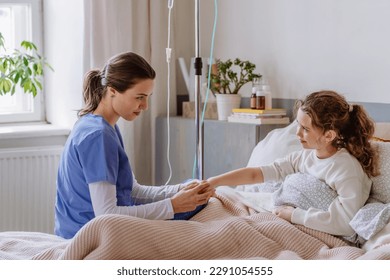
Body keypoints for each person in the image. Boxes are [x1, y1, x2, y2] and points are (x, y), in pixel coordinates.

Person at [54, 52, 214, 239]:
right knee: (201, 204)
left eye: (147, 97)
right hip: (91, 236)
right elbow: (106, 213)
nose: (145, 105)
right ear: (112, 90)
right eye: (139, 97)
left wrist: (177, 191)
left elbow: (132, 191)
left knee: (191, 189)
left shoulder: (102, 126)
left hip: (88, 228)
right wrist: (173, 205)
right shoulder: (98, 135)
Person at [207, 90, 379, 238]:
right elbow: (258, 174)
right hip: (281, 211)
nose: (297, 133)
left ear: (329, 136)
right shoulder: (305, 156)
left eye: (305, 129)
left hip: (304, 226)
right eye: (298, 125)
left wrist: (295, 215)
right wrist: (214, 181)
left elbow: (345, 222)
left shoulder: (345, 169)